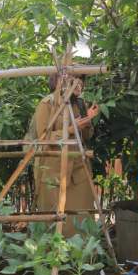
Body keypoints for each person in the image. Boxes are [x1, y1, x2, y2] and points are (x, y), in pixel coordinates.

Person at [30, 72, 99, 236]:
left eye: (82, 80)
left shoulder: (80, 104)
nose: (79, 83)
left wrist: (87, 121)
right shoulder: (48, 104)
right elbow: (43, 138)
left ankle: (80, 258)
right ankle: (54, 257)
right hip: (53, 170)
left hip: (78, 170)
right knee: (54, 221)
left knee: (81, 219)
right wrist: (70, 129)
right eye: (75, 79)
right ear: (61, 80)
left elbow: (86, 137)